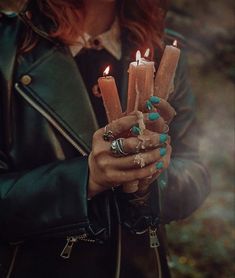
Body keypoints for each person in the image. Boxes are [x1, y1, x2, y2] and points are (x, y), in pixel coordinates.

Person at [0, 0, 210, 277]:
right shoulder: (7, 49)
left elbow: (195, 172)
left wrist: (152, 178)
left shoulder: (162, 48)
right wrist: (85, 179)